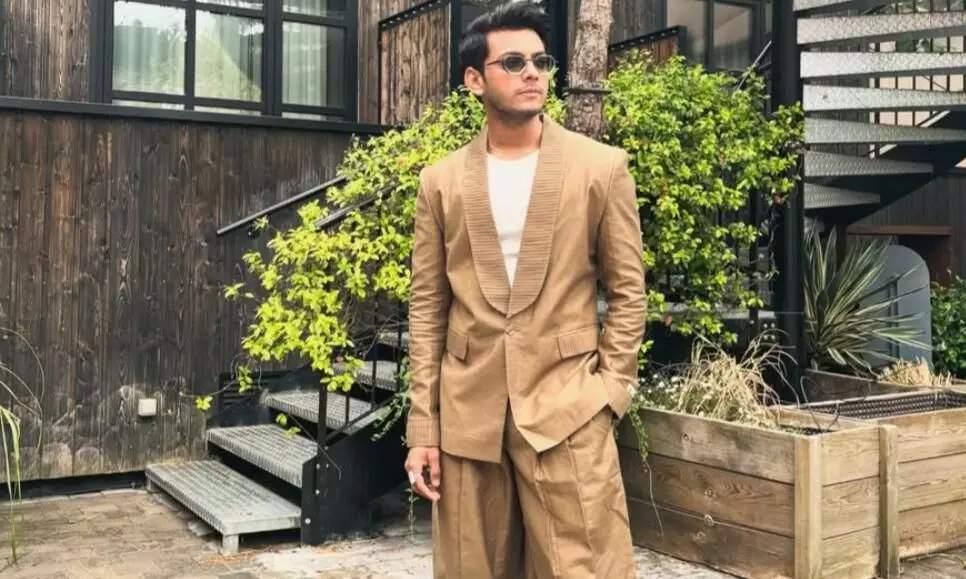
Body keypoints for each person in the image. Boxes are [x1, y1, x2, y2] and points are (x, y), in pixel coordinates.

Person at [403, 3, 645, 577]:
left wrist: (611, 390)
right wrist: (423, 428)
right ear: (475, 79)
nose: (532, 72)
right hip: (468, 418)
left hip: (568, 409)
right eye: (513, 62)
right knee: (471, 569)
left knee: (584, 569)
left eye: (540, 60)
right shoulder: (440, 182)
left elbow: (629, 291)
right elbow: (428, 307)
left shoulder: (600, 168)